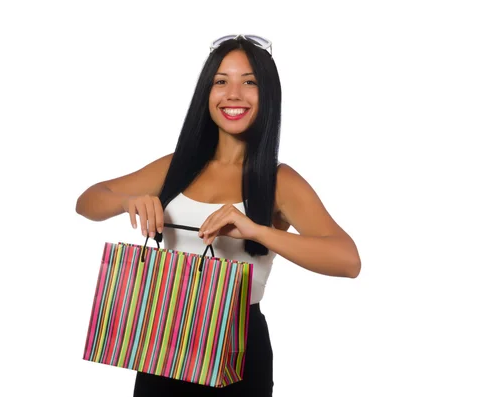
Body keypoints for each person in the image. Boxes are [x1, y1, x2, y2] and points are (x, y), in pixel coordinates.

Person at [76, 34, 361, 397]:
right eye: (221, 81)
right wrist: (130, 200)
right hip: (162, 335)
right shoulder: (175, 167)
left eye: (250, 82)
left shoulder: (279, 181)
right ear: (206, 93)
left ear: (267, 95)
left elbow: (348, 260)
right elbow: (87, 202)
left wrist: (257, 231)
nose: (234, 95)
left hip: (238, 344)